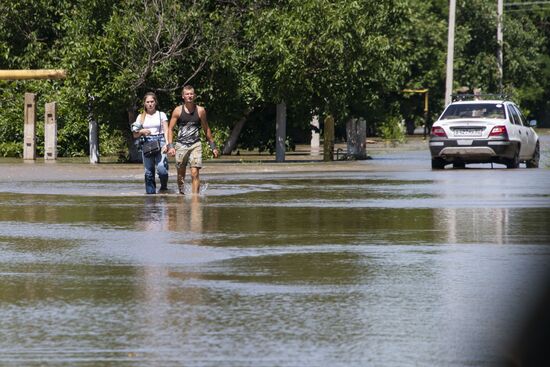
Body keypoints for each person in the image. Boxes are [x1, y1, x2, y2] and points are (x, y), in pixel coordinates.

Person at [167, 85, 219, 194]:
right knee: (181, 174)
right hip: (181, 145)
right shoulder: (177, 110)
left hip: (196, 144)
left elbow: (206, 128)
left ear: (194, 95)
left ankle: (195, 198)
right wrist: (170, 146)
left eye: (191, 94)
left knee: (195, 173)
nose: (189, 96)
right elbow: (170, 129)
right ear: (183, 96)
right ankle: (181, 196)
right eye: (187, 94)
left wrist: (213, 146)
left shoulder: (200, 111)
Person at [131, 92, 170, 194]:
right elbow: (135, 135)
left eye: (152, 101)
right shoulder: (140, 117)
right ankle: (150, 197)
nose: (150, 104)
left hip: (161, 142)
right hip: (147, 143)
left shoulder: (161, 115)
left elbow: (166, 130)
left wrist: (168, 144)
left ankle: (164, 187)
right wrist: (142, 131)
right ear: (144, 103)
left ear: (155, 102)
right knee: (148, 172)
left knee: (162, 169)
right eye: (147, 102)